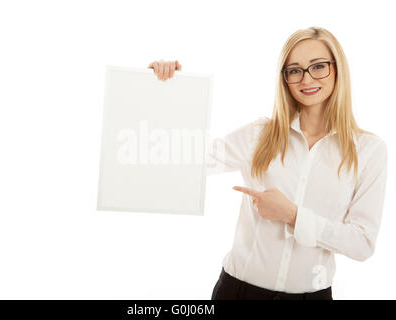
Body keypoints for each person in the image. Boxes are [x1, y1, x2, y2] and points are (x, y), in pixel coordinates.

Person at [147, 26, 387, 300]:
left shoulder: (369, 151)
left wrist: (293, 215)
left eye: (318, 66)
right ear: (284, 78)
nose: (306, 79)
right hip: (237, 292)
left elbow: (363, 244)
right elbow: (182, 160)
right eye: (294, 70)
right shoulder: (259, 135)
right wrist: (165, 91)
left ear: (337, 69)